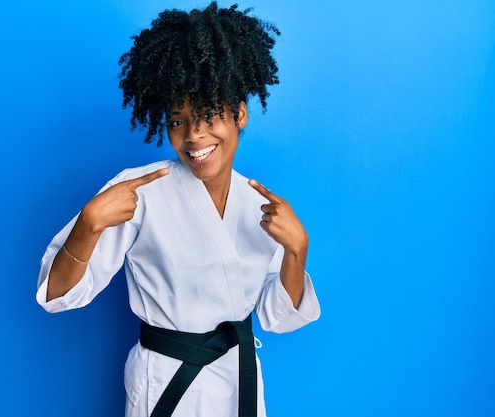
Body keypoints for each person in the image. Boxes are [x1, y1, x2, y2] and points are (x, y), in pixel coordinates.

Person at [36, 3, 320, 416]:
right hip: (165, 383)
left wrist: (297, 251)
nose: (193, 136)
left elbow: (279, 317)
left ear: (239, 113)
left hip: (237, 383)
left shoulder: (260, 205)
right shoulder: (139, 192)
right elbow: (57, 296)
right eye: (176, 121)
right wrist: (88, 225)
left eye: (208, 114)